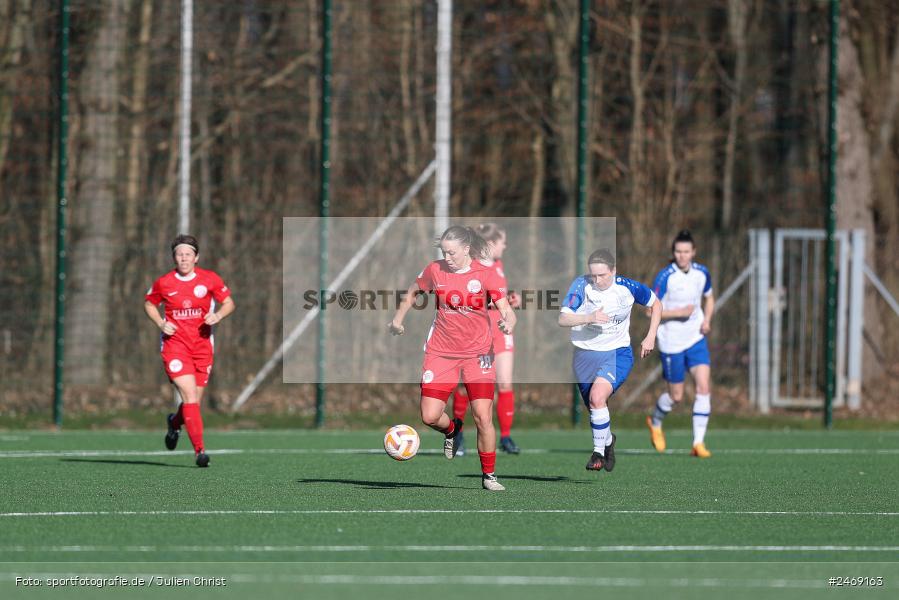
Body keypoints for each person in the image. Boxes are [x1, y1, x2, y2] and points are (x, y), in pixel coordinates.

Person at [389, 226, 516, 491]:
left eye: (452, 252)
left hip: (478, 354)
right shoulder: (435, 270)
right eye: (444, 251)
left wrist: (508, 324)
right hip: (441, 353)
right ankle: (453, 430)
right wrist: (397, 321)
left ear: (467, 249)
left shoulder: (486, 273)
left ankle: (489, 475)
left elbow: (506, 310)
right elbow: (413, 292)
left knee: (482, 416)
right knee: (429, 416)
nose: (447, 257)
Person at [559, 248, 661, 472]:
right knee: (596, 406)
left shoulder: (628, 287)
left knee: (597, 396)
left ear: (613, 271)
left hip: (617, 353)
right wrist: (589, 317)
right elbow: (563, 318)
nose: (597, 280)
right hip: (584, 355)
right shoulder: (581, 285)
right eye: (593, 275)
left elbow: (656, 304)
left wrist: (651, 335)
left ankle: (597, 453)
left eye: (602, 275)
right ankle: (607, 442)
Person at [144, 235, 235, 467]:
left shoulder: (210, 279)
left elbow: (229, 303)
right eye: (179, 254)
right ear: (174, 257)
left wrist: (218, 315)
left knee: (192, 404)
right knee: (190, 396)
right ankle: (200, 452)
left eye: (187, 254)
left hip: (203, 347)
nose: (183, 258)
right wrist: (161, 323)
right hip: (175, 347)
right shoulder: (164, 282)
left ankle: (174, 424)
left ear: (196, 257)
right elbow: (149, 303)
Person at [451, 223, 522, 456]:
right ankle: (458, 433)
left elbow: (497, 294)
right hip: (475, 333)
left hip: (501, 333)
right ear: (491, 244)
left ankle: (505, 437)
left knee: (504, 383)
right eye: (502, 242)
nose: (505, 246)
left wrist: (510, 300)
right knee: (466, 386)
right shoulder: (471, 267)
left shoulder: (498, 266)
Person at [646, 230, 715, 458]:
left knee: (703, 387)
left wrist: (707, 320)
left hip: (695, 339)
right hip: (671, 341)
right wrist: (679, 312)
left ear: (693, 252)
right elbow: (649, 311)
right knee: (676, 397)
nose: (682, 256)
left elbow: (709, 297)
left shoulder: (702, 272)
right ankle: (655, 421)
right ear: (673, 253)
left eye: (686, 251)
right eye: (678, 251)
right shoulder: (665, 277)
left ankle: (698, 443)